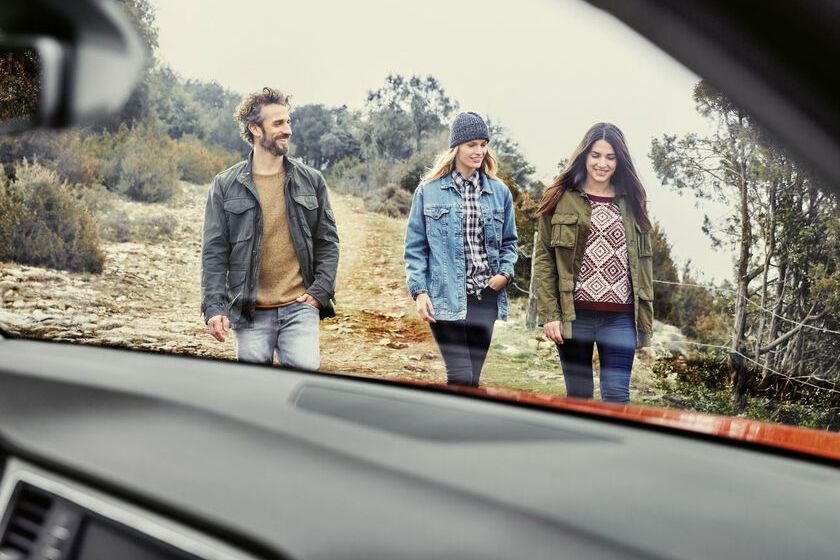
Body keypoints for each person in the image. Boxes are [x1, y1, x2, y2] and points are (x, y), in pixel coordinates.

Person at [201, 87, 339, 369]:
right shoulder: (225, 185)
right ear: (255, 128)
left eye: (288, 122)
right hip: (249, 312)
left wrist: (319, 292)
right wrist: (214, 308)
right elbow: (214, 252)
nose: (287, 130)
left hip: (299, 308)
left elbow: (328, 242)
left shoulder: (311, 180)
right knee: (255, 395)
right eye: (278, 123)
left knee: (301, 385)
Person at [533, 122, 653, 404]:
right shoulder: (559, 198)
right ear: (584, 155)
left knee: (616, 396)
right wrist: (551, 314)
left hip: (620, 318)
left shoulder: (633, 202)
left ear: (619, 161)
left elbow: (644, 267)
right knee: (579, 396)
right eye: (596, 155)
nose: (602, 163)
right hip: (574, 317)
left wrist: (644, 321)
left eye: (610, 157)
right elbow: (544, 260)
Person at [404, 112, 518, 387]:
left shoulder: (499, 192)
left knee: (473, 379)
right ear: (456, 147)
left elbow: (509, 243)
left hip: (485, 297)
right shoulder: (428, 191)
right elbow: (415, 247)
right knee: (460, 376)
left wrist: (505, 273)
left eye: (483, 144)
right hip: (445, 298)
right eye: (471, 145)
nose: (479, 151)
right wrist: (419, 292)